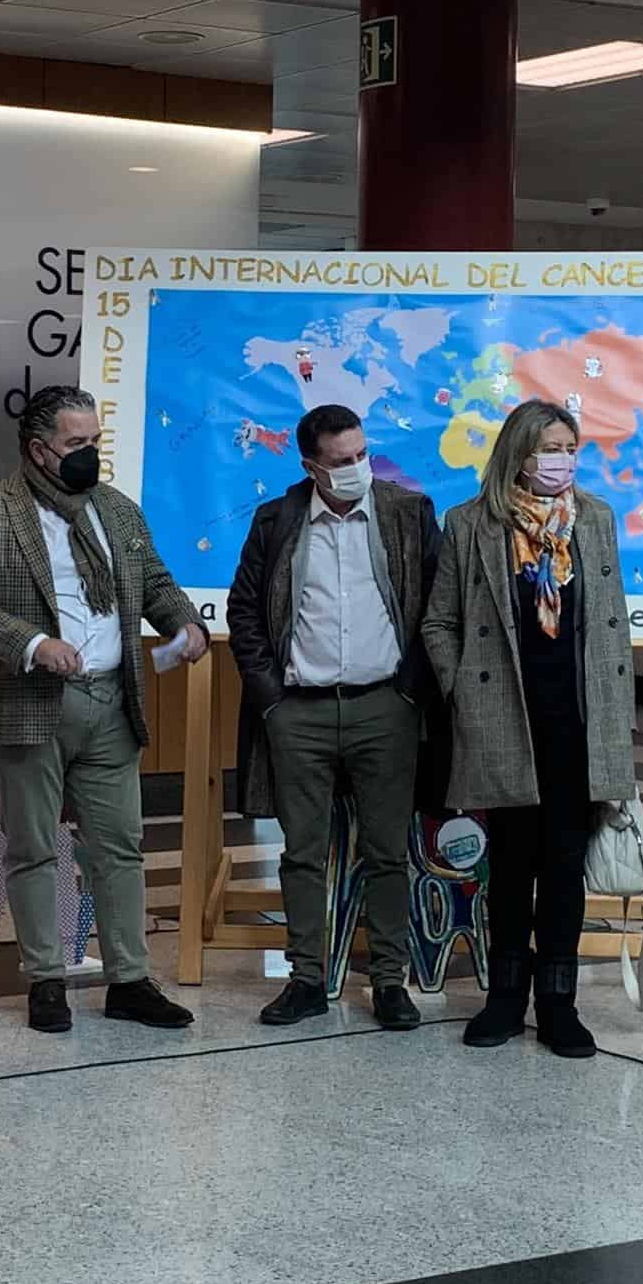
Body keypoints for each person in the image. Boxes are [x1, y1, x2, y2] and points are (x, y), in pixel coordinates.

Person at [0, 385, 207, 1034]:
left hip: (109, 702)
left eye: (94, 441)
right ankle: (45, 981)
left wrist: (184, 622)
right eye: (76, 445)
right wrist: (34, 644)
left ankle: (128, 980)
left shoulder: (115, 510)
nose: (89, 454)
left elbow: (153, 581)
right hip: (29, 700)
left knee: (119, 845)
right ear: (38, 450)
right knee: (34, 847)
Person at [422, 400, 637, 1057]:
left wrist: (616, 719)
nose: (561, 460)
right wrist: (461, 688)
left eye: (570, 447)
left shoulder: (595, 519)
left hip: (578, 719)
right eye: (549, 448)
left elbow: (613, 622)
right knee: (511, 868)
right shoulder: (471, 524)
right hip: (502, 720)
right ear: (518, 452)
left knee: (565, 868)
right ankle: (504, 998)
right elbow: (439, 622)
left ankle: (559, 1003)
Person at [226, 404, 439, 1030]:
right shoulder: (278, 519)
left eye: (361, 455)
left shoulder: (406, 513)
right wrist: (271, 700)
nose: (355, 469)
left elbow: (437, 607)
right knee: (302, 852)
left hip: (385, 708)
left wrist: (410, 694)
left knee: (387, 851)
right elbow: (244, 612)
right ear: (310, 465)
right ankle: (306, 980)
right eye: (340, 462)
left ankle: (390, 982)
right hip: (300, 711)